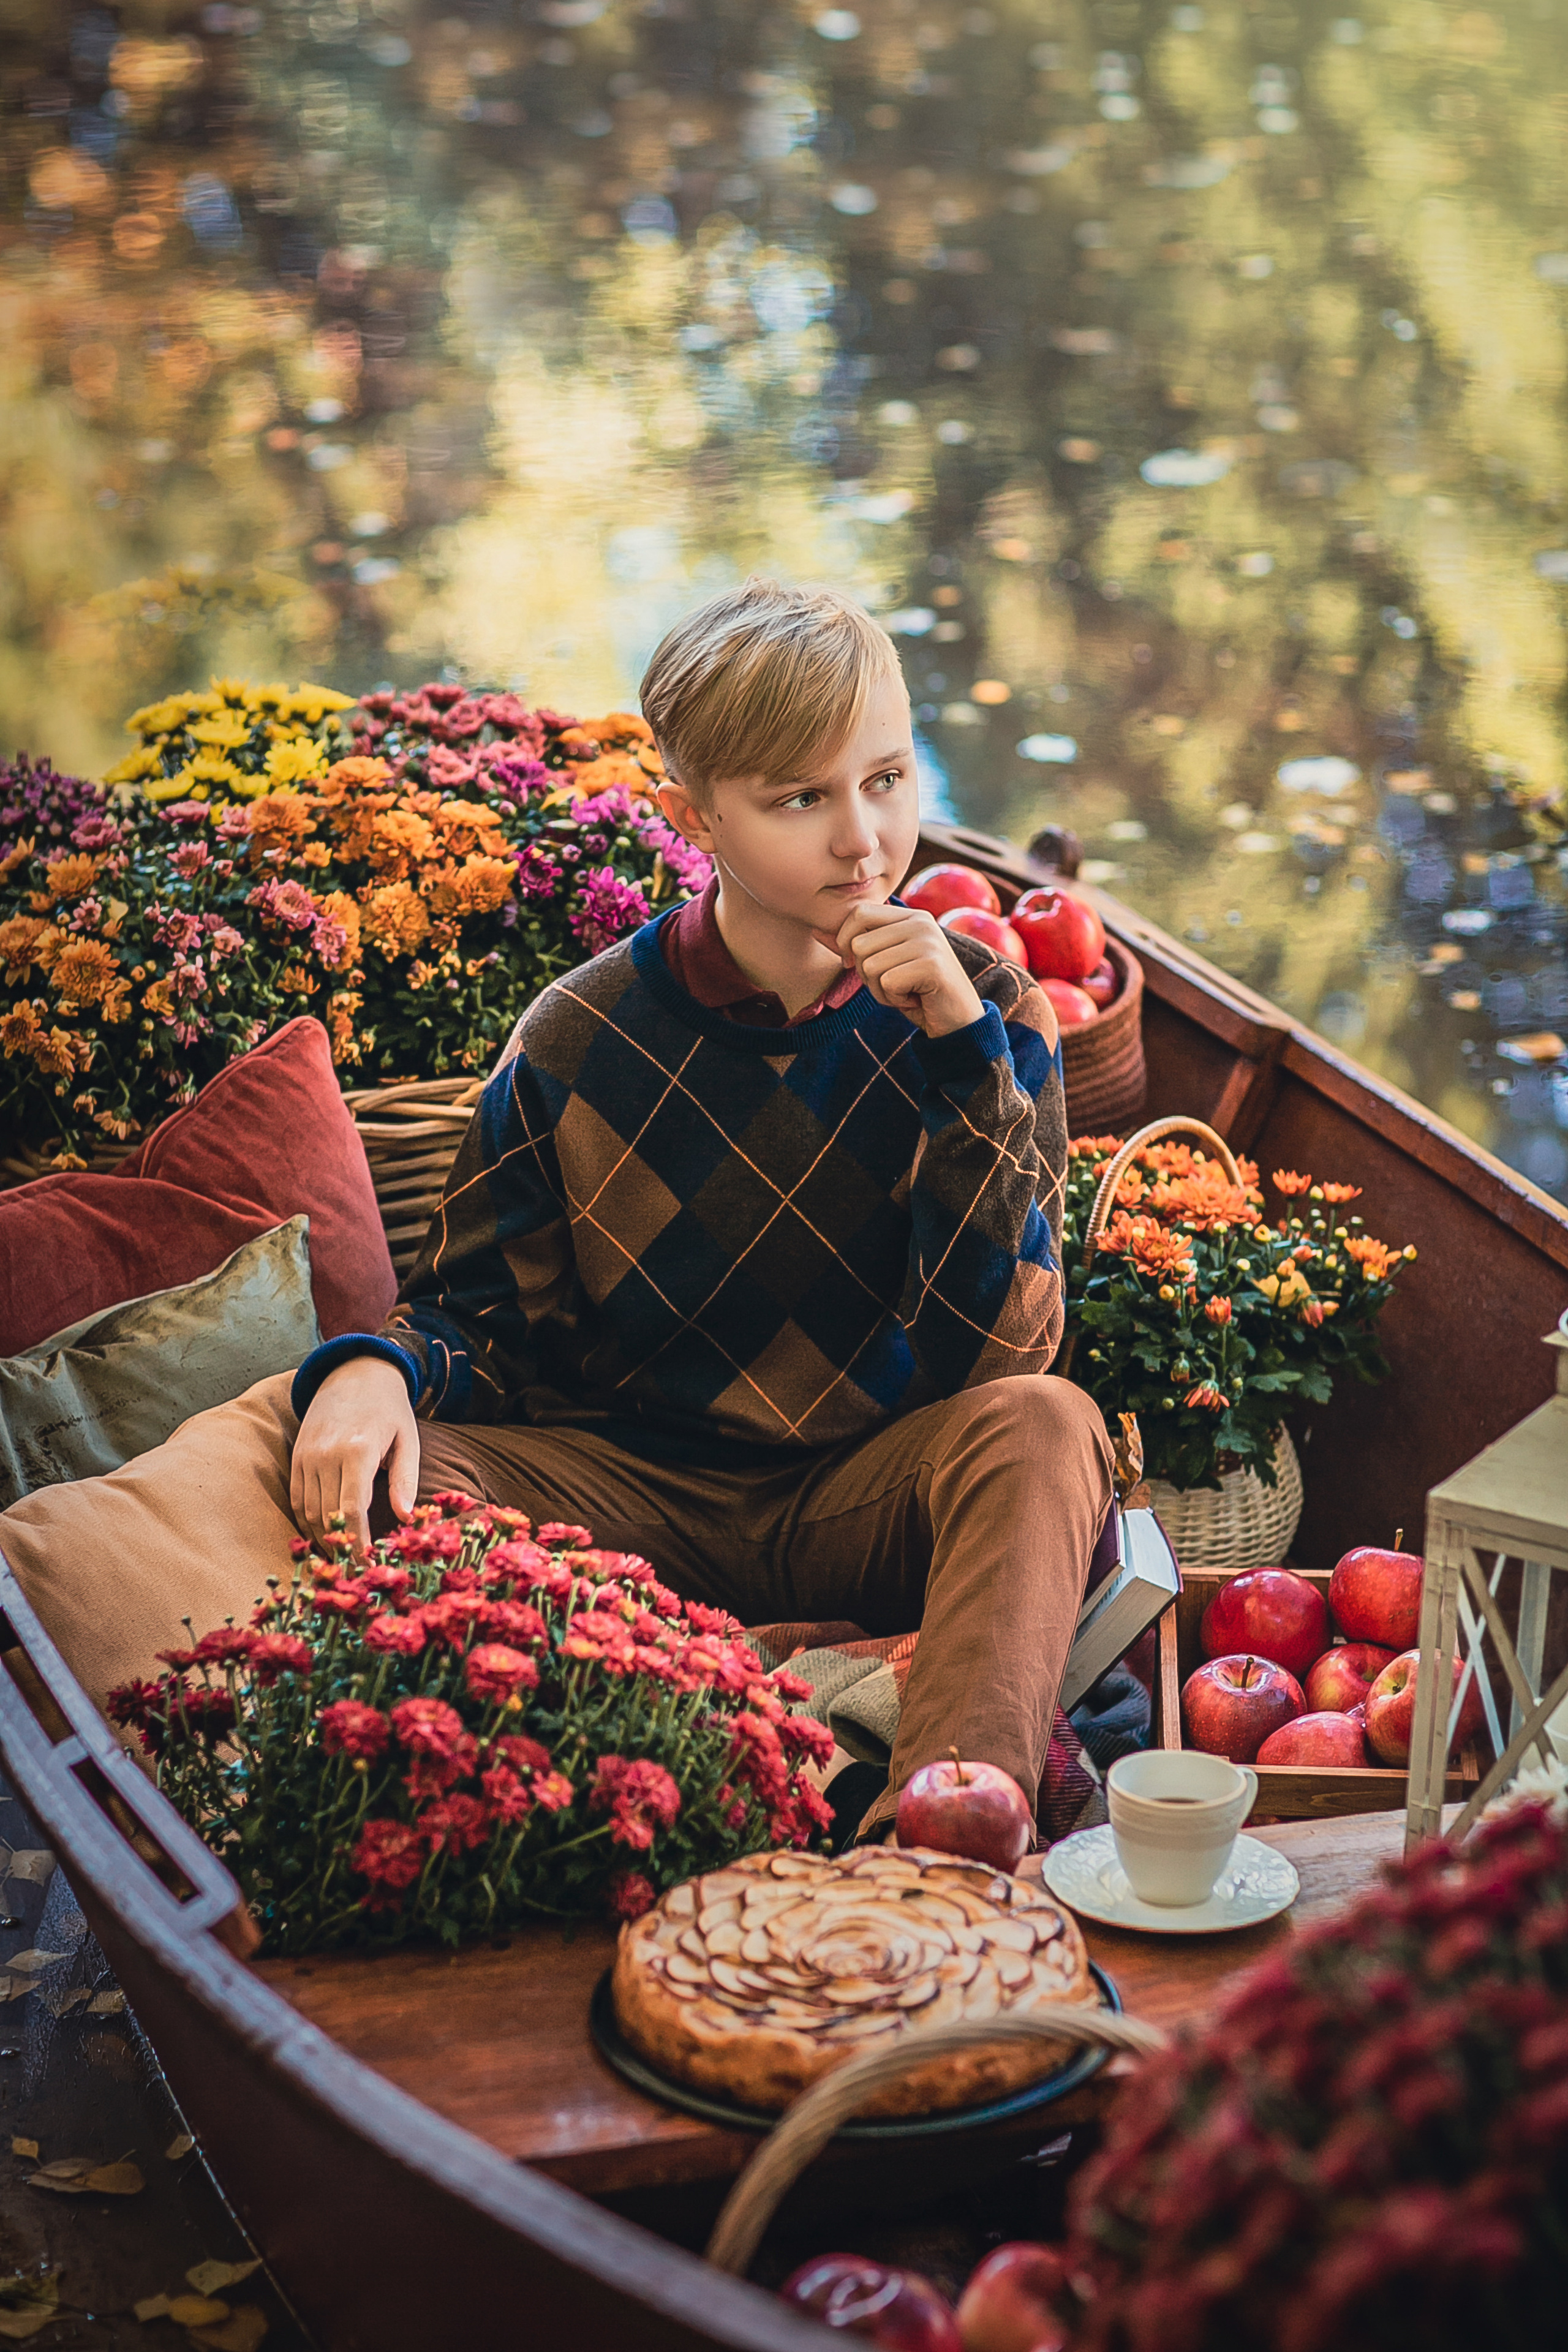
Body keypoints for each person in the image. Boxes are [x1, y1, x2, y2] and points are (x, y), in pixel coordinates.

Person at [1, 581, 1111, 1844]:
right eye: (799, 798)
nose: (862, 838)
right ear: (693, 817)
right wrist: (376, 1369)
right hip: (634, 1500)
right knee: (368, 1446)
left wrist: (961, 1065)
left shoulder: (987, 1010)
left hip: (872, 1498)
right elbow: (477, 1320)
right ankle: (755, 1750)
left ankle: (937, 1845)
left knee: (1046, 1427)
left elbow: (1001, 1359)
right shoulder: (580, 1037)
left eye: (886, 778)